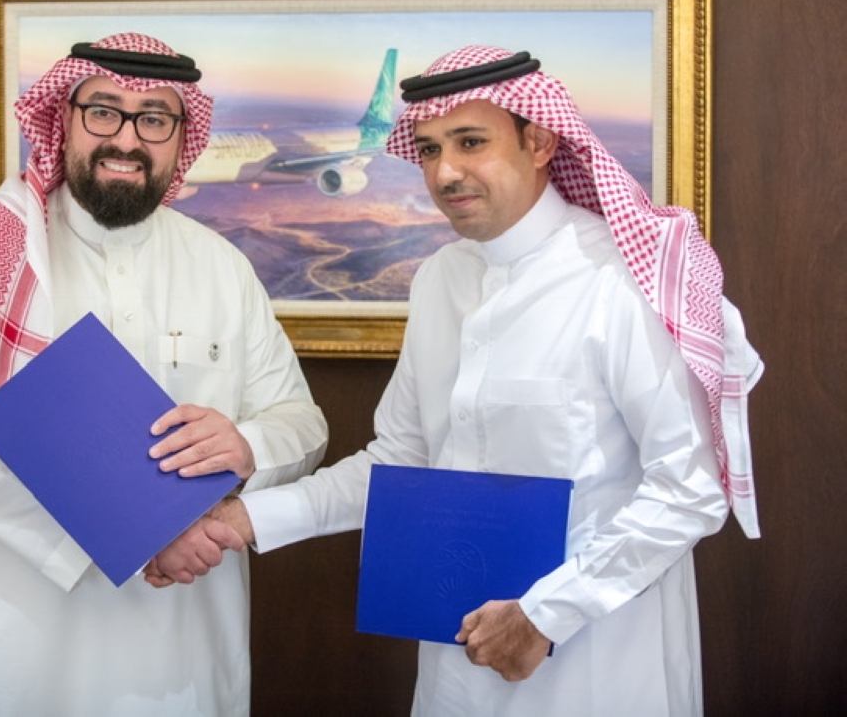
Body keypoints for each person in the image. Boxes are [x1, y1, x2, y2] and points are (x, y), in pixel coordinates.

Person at [193, 46, 764, 715]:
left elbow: (689, 489)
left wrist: (547, 615)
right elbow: (402, 462)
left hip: (598, 655)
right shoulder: (441, 280)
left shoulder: (622, 281)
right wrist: (243, 518)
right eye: (431, 149)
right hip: (458, 652)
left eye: (471, 143)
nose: (445, 172)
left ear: (540, 139)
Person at [0, 32, 327, 716]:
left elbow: (303, 423)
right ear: (65, 118)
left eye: (154, 119)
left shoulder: (222, 266)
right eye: (104, 111)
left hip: (176, 634)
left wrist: (248, 446)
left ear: (180, 137)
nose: (127, 139)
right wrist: (142, 535)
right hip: (3, 632)